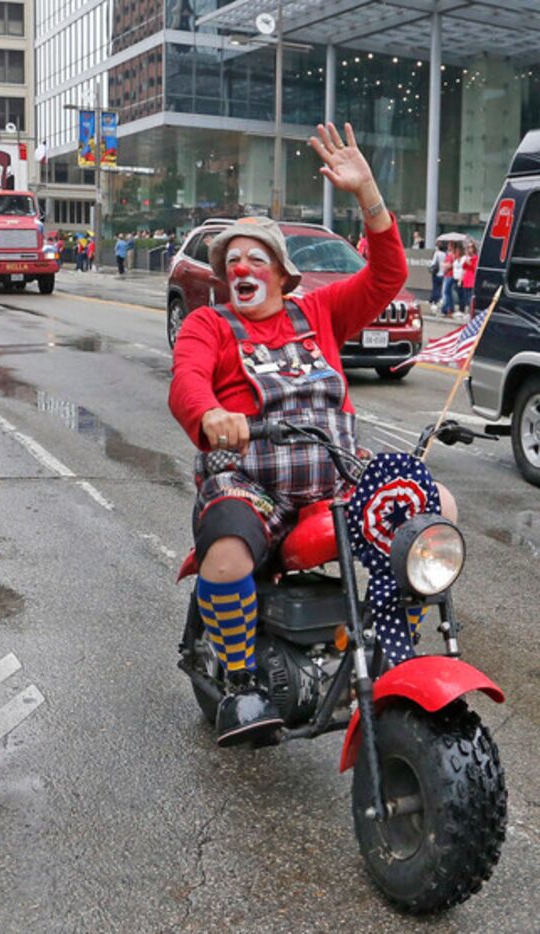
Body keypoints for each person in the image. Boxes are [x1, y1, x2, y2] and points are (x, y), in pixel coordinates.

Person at [169, 123, 411, 746]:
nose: (240, 266)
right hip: (253, 483)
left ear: (281, 273)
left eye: (255, 258)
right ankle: (244, 683)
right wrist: (209, 417)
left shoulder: (321, 313)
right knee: (226, 554)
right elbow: (187, 382)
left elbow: (387, 278)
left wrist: (369, 197)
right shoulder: (209, 324)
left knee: (429, 507)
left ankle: (398, 642)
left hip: (336, 474)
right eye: (231, 261)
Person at [459, 240, 479, 316]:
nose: (469, 249)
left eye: (471, 247)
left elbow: (475, 268)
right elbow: (464, 267)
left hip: (471, 281)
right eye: (468, 247)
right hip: (466, 281)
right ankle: (468, 311)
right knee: (466, 297)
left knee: (470, 298)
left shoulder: (476, 258)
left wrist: (469, 263)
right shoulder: (468, 258)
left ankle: (471, 312)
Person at [428, 239, 447, 312]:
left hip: (436, 272)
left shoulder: (437, 253)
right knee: (440, 288)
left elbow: (433, 263)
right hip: (443, 273)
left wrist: (430, 267)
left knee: (435, 287)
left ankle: (435, 300)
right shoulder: (445, 254)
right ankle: (438, 299)